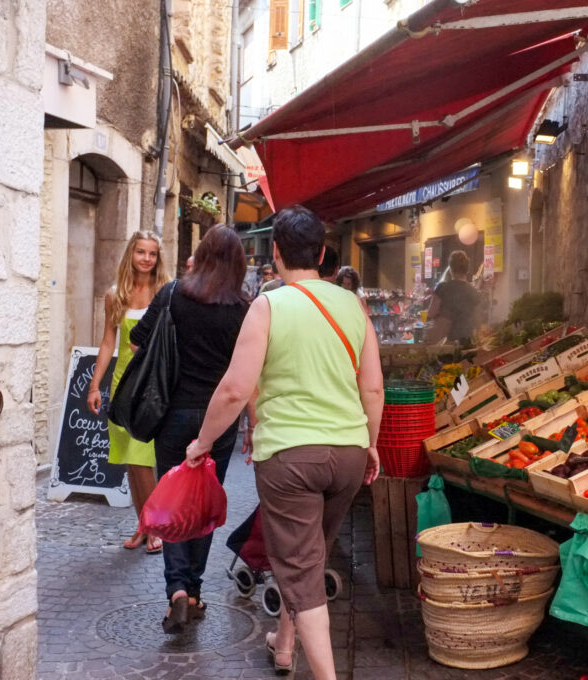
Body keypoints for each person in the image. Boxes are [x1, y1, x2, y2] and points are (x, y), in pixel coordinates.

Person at [186, 205, 381, 679]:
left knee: (299, 566)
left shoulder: (268, 306)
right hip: (349, 454)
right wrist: (370, 444)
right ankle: (285, 645)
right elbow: (373, 387)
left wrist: (202, 442)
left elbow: (235, 388)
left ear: (275, 253)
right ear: (321, 253)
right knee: (309, 558)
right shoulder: (353, 306)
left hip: (291, 457)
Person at [130, 225, 250, 634]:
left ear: (200, 253)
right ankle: (194, 591)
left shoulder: (171, 294)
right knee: (202, 504)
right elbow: (248, 374)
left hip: (173, 413)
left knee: (173, 499)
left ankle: (177, 592)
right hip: (220, 421)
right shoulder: (244, 308)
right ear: (239, 264)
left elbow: (137, 340)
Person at [87, 230, 169, 553]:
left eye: (152, 253)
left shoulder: (164, 292)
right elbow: (109, 342)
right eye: (141, 252)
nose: (147, 259)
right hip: (123, 385)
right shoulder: (115, 294)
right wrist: (95, 385)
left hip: (151, 387)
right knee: (131, 463)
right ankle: (143, 526)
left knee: (141, 459)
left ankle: (154, 527)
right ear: (130, 255)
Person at [427, 250, 481, 344]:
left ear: (451, 269)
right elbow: (477, 319)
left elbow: (431, 312)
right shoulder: (474, 291)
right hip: (467, 339)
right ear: (467, 269)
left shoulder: (442, 288)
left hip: (447, 340)